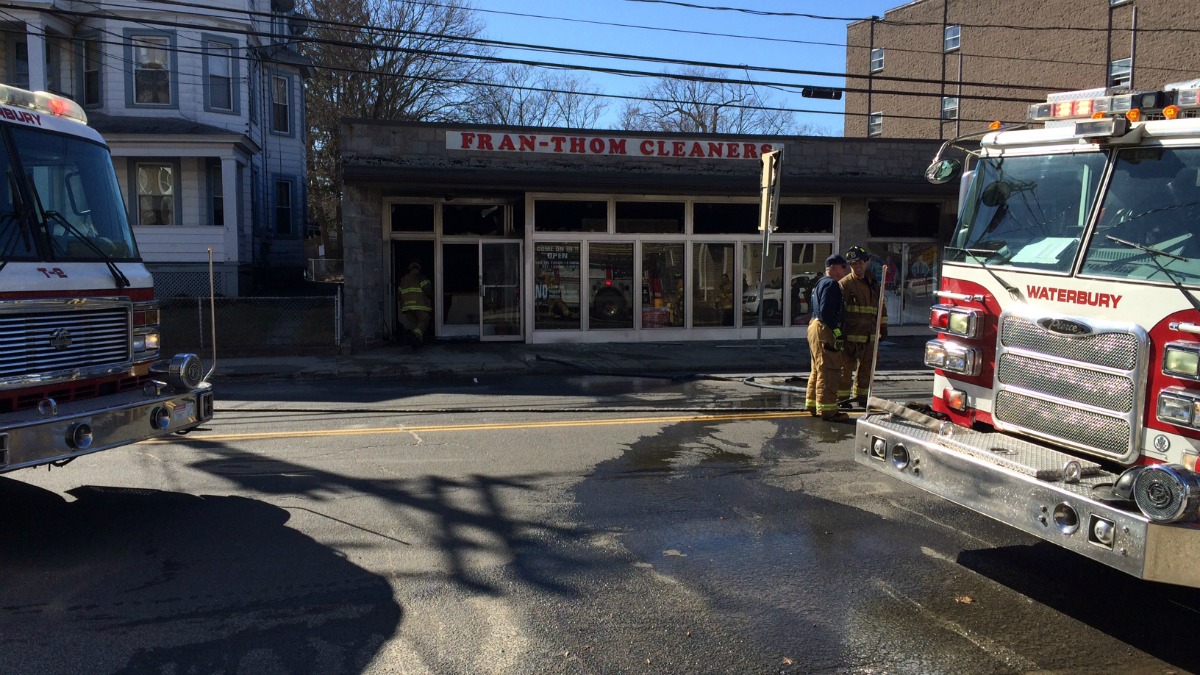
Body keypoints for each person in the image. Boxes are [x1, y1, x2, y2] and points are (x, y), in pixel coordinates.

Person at [838, 246, 888, 409]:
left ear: (866, 263)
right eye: (853, 264)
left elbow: (881, 307)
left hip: (870, 336)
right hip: (850, 338)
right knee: (845, 372)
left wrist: (884, 326)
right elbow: (839, 311)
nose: (857, 267)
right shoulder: (845, 284)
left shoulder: (874, 283)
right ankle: (843, 400)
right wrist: (839, 334)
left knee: (866, 371)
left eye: (859, 263)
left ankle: (861, 398)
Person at [805, 255, 849, 422]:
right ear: (833, 267)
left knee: (817, 368)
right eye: (843, 267)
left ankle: (813, 403)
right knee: (829, 369)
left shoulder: (820, 283)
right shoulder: (831, 284)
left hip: (814, 326)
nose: (845, 270)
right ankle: (828, 409)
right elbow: (826, 311)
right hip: (825, 328)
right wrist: (837, 331)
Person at [398, 260, 432, 348]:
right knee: (424, 321)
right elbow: (427, 290)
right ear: (418, 269)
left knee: (414, 323)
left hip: (407, 306)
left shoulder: (403, 279)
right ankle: (415, 335)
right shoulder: (420, 277)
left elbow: (399, 294)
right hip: (419, 305)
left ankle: (416, 342)